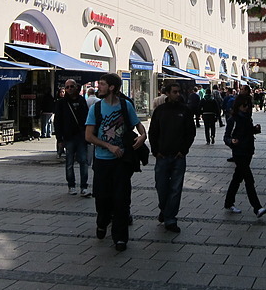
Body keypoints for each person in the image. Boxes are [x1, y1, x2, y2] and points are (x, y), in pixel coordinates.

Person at [85, 73, 147, 252]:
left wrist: (143, 135)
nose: (99, 87)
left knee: (121, 199)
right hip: (102, 161)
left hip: (122, 161)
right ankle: (102, 222)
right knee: (102, 198)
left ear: (111, 87)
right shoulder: (95, 109)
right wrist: (108, 146)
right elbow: (88, 136)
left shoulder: (125, 105)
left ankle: (120, 238)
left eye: (102, 84)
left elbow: (138, 124)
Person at [148, 83, 196, 233]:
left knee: (175, 189)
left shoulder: (184, 110)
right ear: (167, 93)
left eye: (178, 91)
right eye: (174, 92)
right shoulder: (160, 111)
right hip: (162, 155)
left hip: (178, 156)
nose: (177, 94)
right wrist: (156, 151)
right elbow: (153, 131)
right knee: (161, 186)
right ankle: (165, 209)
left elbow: (190, 132)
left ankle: (170, 218)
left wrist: (183, 150)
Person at [223, 94, 266, 218]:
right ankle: (257, 207)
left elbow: (247, 132)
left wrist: (255, 130)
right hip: (239, 153)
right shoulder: (233, 120)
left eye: (249, 105)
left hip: (248, 151)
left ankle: (228, 202)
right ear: (238, 105)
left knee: (237, 178)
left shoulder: (247, 118)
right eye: (244, 105)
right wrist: (231, 142)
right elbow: (226, 137)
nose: (247, 107)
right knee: (249, 179)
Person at [54, 79, 91, 197]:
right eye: (67, 87)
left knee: (83, 161)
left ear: (76, 87)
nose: (69, 89)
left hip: (81, 137)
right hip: (68, 137)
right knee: (69, 162)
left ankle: (84, 187)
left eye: (71, 86)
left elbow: (87, 118)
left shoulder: (82, 101)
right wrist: (59, 139)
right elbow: (57, 121)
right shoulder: (61, 103)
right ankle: (71, 185)